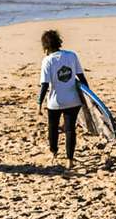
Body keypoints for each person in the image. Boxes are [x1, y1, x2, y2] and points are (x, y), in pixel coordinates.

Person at [37, 29, 89, 169]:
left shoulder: (47, 61)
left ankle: (53, 152)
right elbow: (82, 78)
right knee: (70, 129)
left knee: (53, 127)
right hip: (74, 100)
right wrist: (87, 98)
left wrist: (39, 103)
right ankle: (69, 160)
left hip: (55, 102)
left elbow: (44, 84)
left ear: (45, 46)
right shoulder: (72, 56)